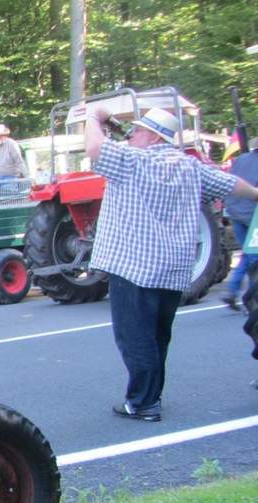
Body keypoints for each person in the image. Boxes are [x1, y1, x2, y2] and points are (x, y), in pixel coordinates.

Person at [86, 106, 258, 421]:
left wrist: (93, 117)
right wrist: (257, 194)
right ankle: (151, 395)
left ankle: (143, 403)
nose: (131, 136)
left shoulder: (131, 162)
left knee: (135, 338)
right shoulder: (190, 166)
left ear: (153, 136)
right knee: (157, 336)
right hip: (173, 269)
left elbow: (95, 148)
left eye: (137, 131)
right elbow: (230, 184)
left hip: (132, 267)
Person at [222, 145, 258, 309]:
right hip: (252, 216)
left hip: (235, 212)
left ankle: (232, 290)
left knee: (248, 254)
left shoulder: (241, 159)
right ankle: (252, 299)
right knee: (254, 259)